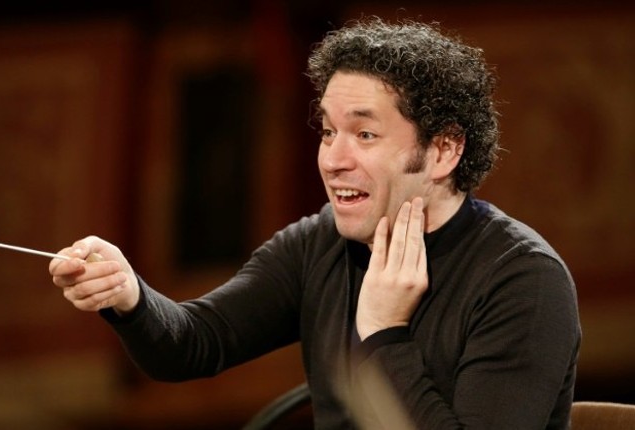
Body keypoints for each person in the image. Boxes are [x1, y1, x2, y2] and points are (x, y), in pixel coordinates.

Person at [49, 16, 581, 429]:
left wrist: (383, 333)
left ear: (443, 150)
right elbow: (195, 343)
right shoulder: (318, 243)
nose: (332, 159)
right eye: (328, 131)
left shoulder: (522, 281)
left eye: (365, 135)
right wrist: (129, 296)